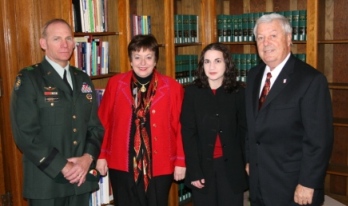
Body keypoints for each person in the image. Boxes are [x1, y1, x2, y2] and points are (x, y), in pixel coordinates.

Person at [10, 18, 104, 206]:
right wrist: (63, 165)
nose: (64, 44)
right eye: (57, 39)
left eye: (69, 38)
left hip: (80, 180)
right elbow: (25, 134)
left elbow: (95, 127)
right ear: (43, 43)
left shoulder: (83, 79)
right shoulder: (30, 78)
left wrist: (88, 158)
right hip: (47, 182)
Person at [245, 13, 333, 206]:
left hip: (293, 186)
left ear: (288, 38)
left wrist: (308, 183)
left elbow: (319, 139)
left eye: (273, 36)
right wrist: (250, 159)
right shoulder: (253, 76)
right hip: (259, 182)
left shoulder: (311, 80)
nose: (266, 43)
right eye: (260, 38)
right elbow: (251, 124)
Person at [96, 34, 186, 206]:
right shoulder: (115, 84)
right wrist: (101, 155)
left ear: (155, 60)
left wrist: (180, 161)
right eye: (137, 57)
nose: (142, 63)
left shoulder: (172, 87)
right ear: (130, 60)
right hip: (122, 163)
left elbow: (181, 127)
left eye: (148, 57)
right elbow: (103, 122)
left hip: (160, 164)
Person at [181, 42, 248, 206]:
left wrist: (249, 162)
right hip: (203, 168)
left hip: (232, 168)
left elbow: (245, 132)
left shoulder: (239, 92)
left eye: (218, 61)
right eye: (207, 61)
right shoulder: (192, 93)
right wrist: (195, 171)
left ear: (227, 64)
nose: (212, 66)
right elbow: (188, 134)